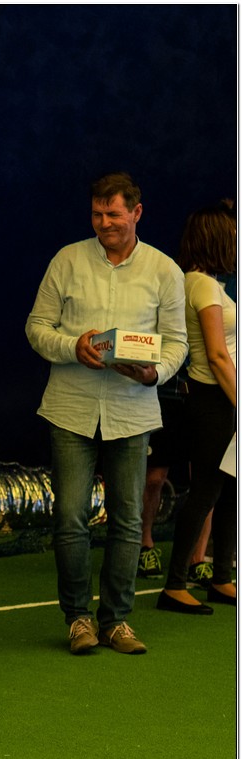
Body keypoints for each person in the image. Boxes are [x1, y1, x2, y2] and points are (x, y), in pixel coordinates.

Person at [25, 172, 187, 655]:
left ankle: (116, 621)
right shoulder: (67, 260)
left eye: (113, 214)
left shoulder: (164, 269)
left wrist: (155, 373)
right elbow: (36, 327)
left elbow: (178, 343)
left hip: (133, 410)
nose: (104, 223)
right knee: (69, 517)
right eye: (97, 214)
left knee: (129, 519)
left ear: (137, 212)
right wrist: (72, 346)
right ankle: (78, 619)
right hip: (70, 408)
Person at [157, 203, 237, 615]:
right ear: (217, 238)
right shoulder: (203, 286)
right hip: (214, 400)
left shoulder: (203, 283)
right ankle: (174, 585)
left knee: (228, 489)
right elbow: (218, 355)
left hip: (219, 399)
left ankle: (221, 576)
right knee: (205, 489)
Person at [137, 369, 213, 586]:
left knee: (206, 479)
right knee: (154, 478)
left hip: (204, 394)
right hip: (164, 392)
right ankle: (145, 545)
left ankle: (197, 559)